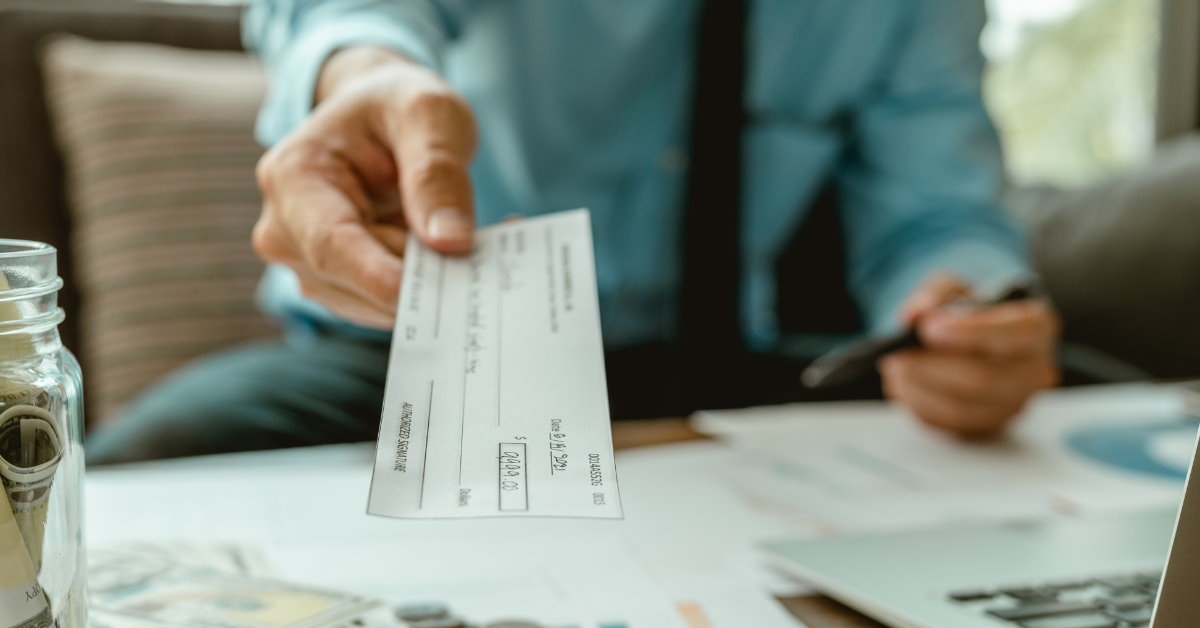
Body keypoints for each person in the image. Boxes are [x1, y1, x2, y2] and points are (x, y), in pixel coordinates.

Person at [87, 0, 1059, 464]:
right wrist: (363, 75)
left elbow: (934, 214)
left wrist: (962, 305)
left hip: (723, 361)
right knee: (151, 456)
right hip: (423, 355)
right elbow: (343, 12)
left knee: (1089, 397)